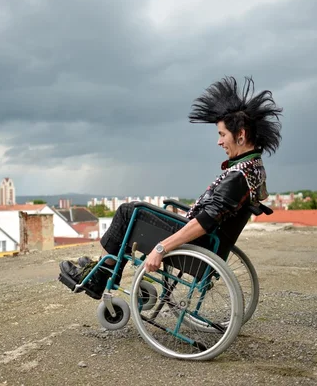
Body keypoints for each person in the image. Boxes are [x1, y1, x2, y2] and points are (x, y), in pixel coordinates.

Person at [58, 76, 283, 300]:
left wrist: (161, 248)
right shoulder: (253, 169)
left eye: (222, 134)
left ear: (241, 135)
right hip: (206, 242)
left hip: (197, 245)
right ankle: (105, 267)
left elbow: (207, 221)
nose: (219, 142)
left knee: (129, 211)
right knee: (136, 213)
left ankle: (100, 277)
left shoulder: (238, 176)